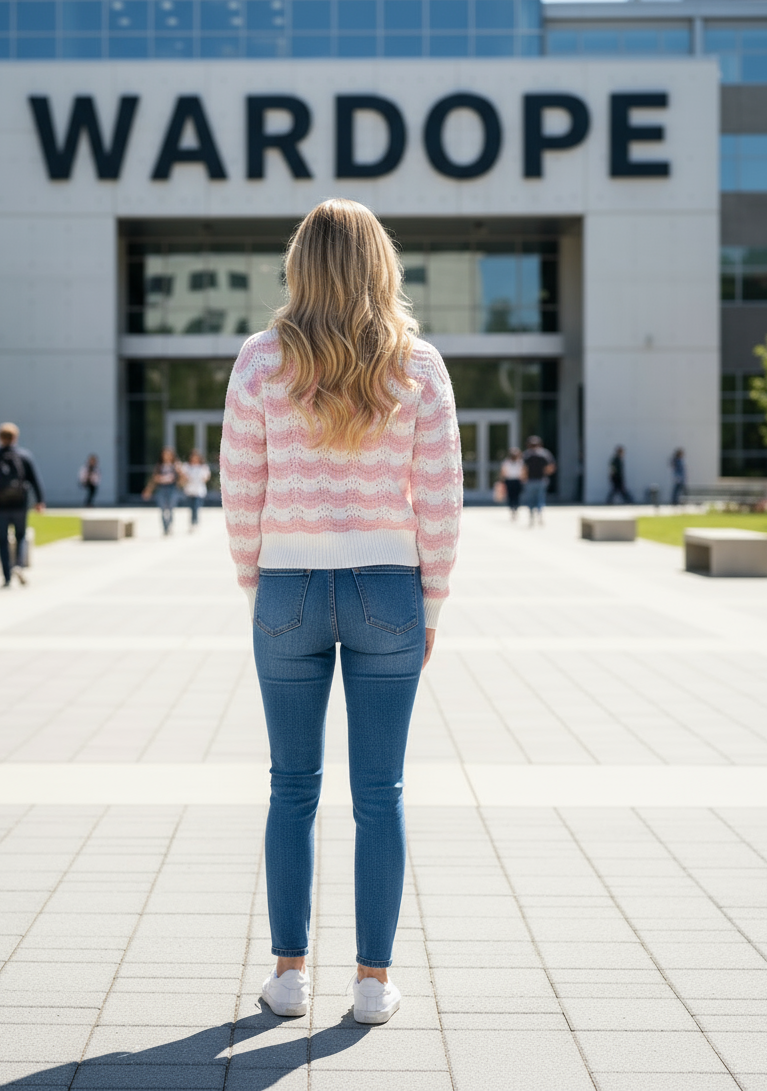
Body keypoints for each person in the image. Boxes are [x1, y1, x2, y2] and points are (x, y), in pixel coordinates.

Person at [220, 199, 462, 1026]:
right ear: (380, 264)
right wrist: (433, 601)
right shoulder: (417, 364)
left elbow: (239, 489)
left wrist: (258, 586)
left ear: (300, 265)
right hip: (388, 588)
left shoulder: (259, 360)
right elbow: (440, 499)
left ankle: (288, 976)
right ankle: (370, 982)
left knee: (291, 786)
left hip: (287, 587)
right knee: (380, 791)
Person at [0, 422, 45, 588]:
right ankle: (19, 565)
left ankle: (7, 577)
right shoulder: (24, 456)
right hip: (19, 504)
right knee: (20, 536)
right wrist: (39, 500)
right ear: (15, 437)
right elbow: (35, 480)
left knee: (2, 540)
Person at [142, 447, 182, 535]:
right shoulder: (159, 466)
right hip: (161, 488)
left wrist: (179, 470)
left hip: (172, 488)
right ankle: (165, 527)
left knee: (171, 507)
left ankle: (170, 525)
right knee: (162, 508)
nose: (167, 456)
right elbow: (153, 479)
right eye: (165, 454)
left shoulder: (175, 466)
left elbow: (182, 478)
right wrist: (148, 490)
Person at [522, 435, 555, 525]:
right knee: (540, 498)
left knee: (530, 499)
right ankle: (539, 514)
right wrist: (545, 473)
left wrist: (523, 478)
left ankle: (531, 515)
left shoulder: (527, 455)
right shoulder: (544, 454)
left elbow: (524, 469)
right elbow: (551, 467)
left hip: (530, 480)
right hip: (541, 480)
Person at [180, 449, 211, 531]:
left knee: (196, 507)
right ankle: (192, 522)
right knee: (191, 508)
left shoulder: (203, 467)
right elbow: (182, 476)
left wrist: (204, 478)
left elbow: (207, 477)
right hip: (189, 490)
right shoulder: (186, 466)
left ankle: (195, 522)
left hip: (199, 491)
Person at [499, 447, 526, 520]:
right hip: (514, 480)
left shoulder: (508, 462)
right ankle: (514, 509)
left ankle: (513, 509)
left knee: (512, 496)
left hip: (512, 480)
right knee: (515, 496)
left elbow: (503, 472)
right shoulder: (519, 462)